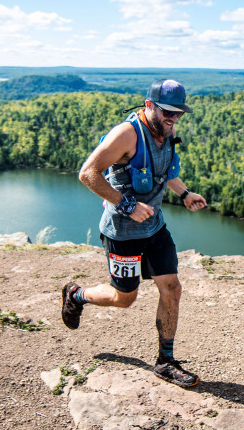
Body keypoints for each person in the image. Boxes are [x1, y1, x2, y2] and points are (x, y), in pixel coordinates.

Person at [62, 79, 207, 388]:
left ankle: (165, 361)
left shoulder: (166, 132)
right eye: (168, 112)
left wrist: (184, 194)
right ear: (149, 105)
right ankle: (76, 295)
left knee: (172, 287)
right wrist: (127, 204)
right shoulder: (127, 134)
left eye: (179, 113)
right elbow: (87, 173)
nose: (174, 118)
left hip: (154, 228)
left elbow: (166, 174)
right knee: (123, 298)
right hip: (123, 232)